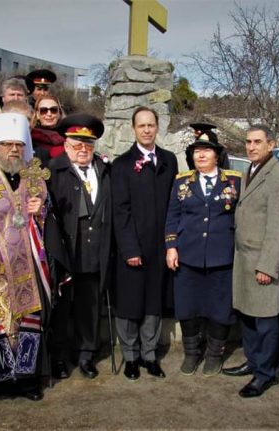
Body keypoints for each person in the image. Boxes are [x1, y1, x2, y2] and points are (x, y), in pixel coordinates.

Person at [0, 112, 51, 400]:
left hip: (28, 262)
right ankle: (0, 382)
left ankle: (27, 380)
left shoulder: (33, 176)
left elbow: (46, 217)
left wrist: (40, 209)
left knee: (29, 319)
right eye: (7, 145)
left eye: (18, 145)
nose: (14, 150)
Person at [221, 124, 279, 397]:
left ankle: (265, 373)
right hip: (243, 258)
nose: (251, 147)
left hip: (261, 260)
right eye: (249, 142)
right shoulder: (249, 171)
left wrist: (267, 266)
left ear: (271, 144)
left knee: (264, 321)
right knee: (247, 317)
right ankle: (252, 362)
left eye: (257, 142)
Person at [165, 132, 243, 377]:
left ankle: (213, 355)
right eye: (197, 150)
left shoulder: (235, 181)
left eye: (207, 150)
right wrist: (171, 246)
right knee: (187, 306)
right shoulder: (182, 182)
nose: (201, 154)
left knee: (220, 308)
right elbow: (172, 216)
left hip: (223, 257)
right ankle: (191, 354)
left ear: (217, 155)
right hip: (188, 256)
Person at [111, 106, 177, 380]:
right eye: (142, 126)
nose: (147, 130)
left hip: (159, 246)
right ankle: (130, 357)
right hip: (133, 247)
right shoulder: (122, 164)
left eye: (151, 125)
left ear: (157, 127)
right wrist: (129, 249)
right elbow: (120, 210)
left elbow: (174, 204)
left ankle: (149, 356)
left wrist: (171, 243)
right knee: (129, 304)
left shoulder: (169, 160)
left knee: (153, 302)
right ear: (133, 128)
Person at [46, 113, 112, 380]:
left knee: (90, 306)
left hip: (95, 251)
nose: (83, 150)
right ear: (65, 145)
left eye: (89, 144)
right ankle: (59, 357)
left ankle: (87, 355)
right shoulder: (52, 171)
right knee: (62, 309)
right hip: (65, 250)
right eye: (77, 144)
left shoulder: (105, 170)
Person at [30, 95, 66, 159]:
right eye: (43, 110)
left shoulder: (69, 138)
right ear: (37, 114)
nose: (49, 114)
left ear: (59, 113)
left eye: (53, 110)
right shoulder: (30, 138)